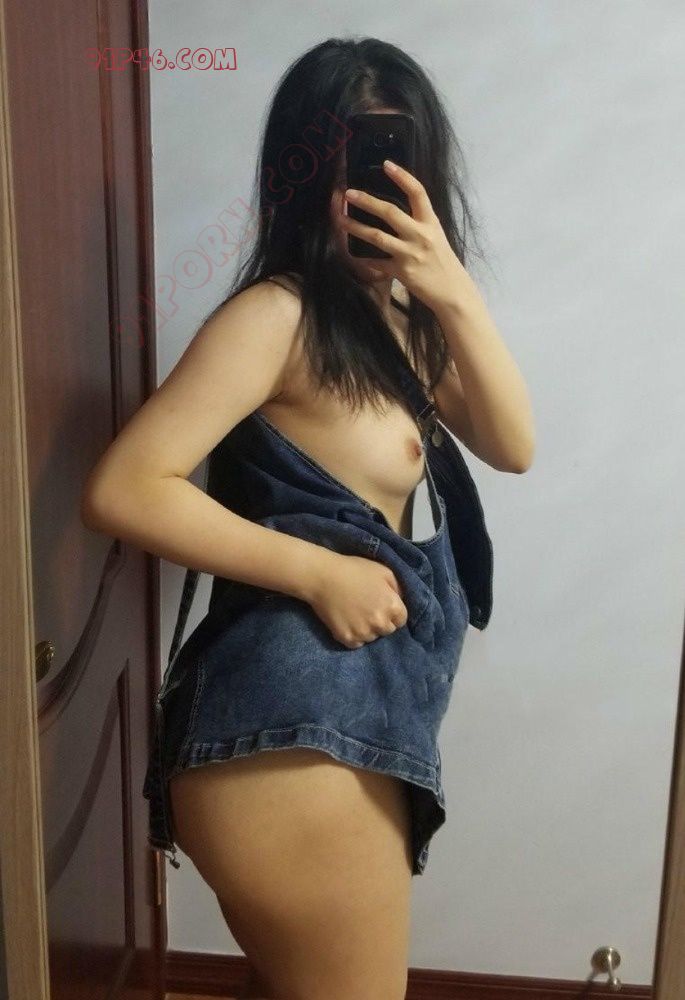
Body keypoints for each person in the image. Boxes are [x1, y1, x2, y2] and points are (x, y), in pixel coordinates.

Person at [80, 36, 534, 1000]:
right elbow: (125, 485)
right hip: (289, 723)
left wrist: (453, 292)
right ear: (296, 176)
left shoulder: (403, 326)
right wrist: (317, 570)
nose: (357, 192)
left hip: (338, 720)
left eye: (386, 162)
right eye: (337, 165)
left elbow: (513, 443)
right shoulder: (277, 317)